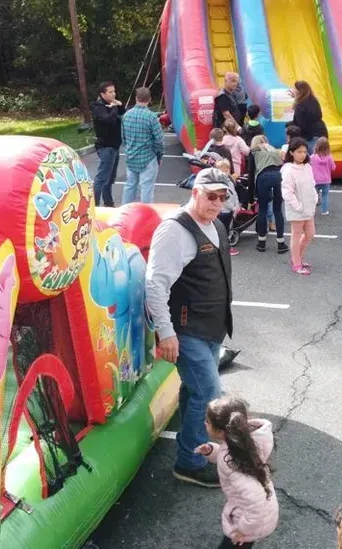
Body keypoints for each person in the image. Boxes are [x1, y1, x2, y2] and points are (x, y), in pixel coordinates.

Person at [145, 167, 236, 487]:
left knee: (195, 389)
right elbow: (155, 284)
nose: (217, 203)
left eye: (223, 197)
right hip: (187, 330)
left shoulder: (215, 224)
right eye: (211, 196)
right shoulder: (174, 230)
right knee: (209, 393)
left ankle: (193, 449)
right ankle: (189, 463)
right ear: (195, 192)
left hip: (211, 327)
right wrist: (166, 332)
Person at [196, 396, 278, 548]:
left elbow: (256, 504)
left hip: (251, 521)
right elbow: (226, 455)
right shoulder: (246, 440)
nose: (204, 423)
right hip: (259, 514)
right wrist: (211, 451)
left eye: (208, 421)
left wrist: (242, 530)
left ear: (221, 431)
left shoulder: (234, 466)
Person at [121, 87, 164, 204]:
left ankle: (125, 210)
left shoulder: (126, 115)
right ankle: (145, 211)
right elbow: (160, 140)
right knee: (147, 188)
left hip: (131, 157)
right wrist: (159, 155)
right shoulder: (151, 117)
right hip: (148, 157)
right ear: (149, 99)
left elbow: (123, 138)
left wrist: (129, 149)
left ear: (136, 98)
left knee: (130, 185)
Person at [281, 138, 318, 275]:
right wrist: (297, 206)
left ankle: (298, 257)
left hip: (308, 206)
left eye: (304, 152)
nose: (302, 154)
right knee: (296, 235)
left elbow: (312, 184)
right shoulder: (288, 170)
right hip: (297, 208)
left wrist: (314, 198)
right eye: (299, 152)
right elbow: (287, 192)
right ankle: (296, 263)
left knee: (310, 234)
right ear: (291, 153)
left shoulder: (307, 167)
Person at [248, 136, 287, 254]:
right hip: (278, 176)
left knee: (263, 210)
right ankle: (281, 243)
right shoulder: (274, 150)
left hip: (263, 177)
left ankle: (261, 243)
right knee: (278, 210)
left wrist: (250, 197)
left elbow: (251, 174)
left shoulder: (253, 151)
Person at [92, 81, 125, 207]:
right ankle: (94, 205)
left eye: (114, 91)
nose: (114, 94)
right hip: (105, 147)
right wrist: (114, 107)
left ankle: (108, 203)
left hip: (115, 146)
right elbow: (109, 120)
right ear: (103, 94)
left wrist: (119, 106)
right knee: (102, 177)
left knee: (110, 178)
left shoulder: (111, 105)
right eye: (110, 92)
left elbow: (121, 113)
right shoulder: (98, 107)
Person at [214, 159, 242, 257]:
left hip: (228, 210)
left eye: (227, 170)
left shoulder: (229, 181)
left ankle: (223, 248)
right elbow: (225, 199)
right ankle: (224, 249)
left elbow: (234, 194)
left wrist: (237, 204)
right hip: (223, 211)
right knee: (223, 230)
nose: (225, 172)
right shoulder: (220, 184)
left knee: (226, 229)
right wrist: (233, 207)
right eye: (222, 170)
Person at [290, 80, 328, 148]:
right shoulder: (314, 100)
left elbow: (300, 123)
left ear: (299, 91)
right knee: (321, 154)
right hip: (322, 132)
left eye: (294, 89)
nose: (293, 91)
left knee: (310, 154)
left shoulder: (300, 105)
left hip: (310, 135)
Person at [310, 137, 336, 215]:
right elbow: (333, 168)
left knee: (314, 196)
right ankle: (324, 211)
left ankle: (312, 210)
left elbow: (309, 167)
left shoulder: (312, 157)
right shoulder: (329, 157)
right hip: (326, 180)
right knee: (325, 195)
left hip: (315, 180)